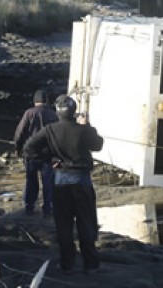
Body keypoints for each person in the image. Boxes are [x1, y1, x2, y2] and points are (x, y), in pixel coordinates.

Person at [24, 94, 104, 274]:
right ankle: (90, 263)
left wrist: (49, 158)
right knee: (85, 222)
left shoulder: (49, 129)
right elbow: (98, 145)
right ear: (74, 111)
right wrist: (87, 126)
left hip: (60, 179)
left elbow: (29, 147)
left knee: (63, 224)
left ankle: (67, 263)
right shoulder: (83, 130)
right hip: (81, 179)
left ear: (57, 111)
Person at [13, 89, 58, 217]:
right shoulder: (53, 114)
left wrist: (18, 147)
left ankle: (29, 207)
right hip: (48, 154)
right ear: (46, 101)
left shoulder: (29, 113)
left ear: (35, 101)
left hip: (30, 153)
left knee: (31, 180)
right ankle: (48, 207)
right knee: (48, 182)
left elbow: (20, 132)